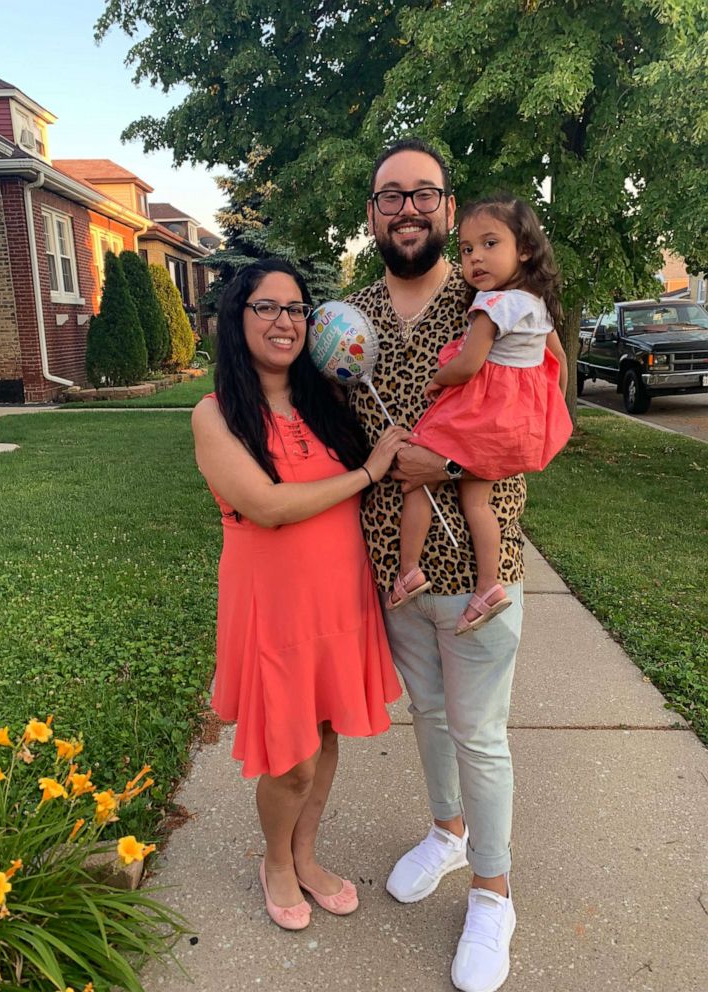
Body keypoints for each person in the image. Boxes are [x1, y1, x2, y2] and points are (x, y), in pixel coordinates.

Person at [347, 138, 526, 992]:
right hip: (391, 567)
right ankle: (447, 835)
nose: (408, 207)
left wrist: (448, 467)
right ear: (372, 213)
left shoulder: (497, 299)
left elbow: (539, 424)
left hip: (480, 574)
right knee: (427, 713)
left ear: (451, 211)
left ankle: (493, 894)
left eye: (425, 194)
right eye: (392, 195)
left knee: (480, 735)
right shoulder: (344, 319)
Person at [191, 259, 407, 932]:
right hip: (275, 609)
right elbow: (267, 506)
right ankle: (275, 864)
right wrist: (368, 473)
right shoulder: (216, 414)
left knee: (326, 733)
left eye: (294, 309)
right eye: (267, 307)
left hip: (339, 600)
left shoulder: (328, 402)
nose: (284, 321)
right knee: (292, 761)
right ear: (238, 318)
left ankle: (306, 857)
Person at [388, 194, 572, 635]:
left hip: (481, 413)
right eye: (467, 249)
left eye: (490, 244)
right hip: (513, 424)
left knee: (415, 472)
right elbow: (560, 362)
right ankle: (488, 585)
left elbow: (469, 365)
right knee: (478, 502)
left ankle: (408, 570)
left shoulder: (491, 306)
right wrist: (548, 407)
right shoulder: (537, 306)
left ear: (524, 250)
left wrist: (439, 379)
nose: (476, 258)